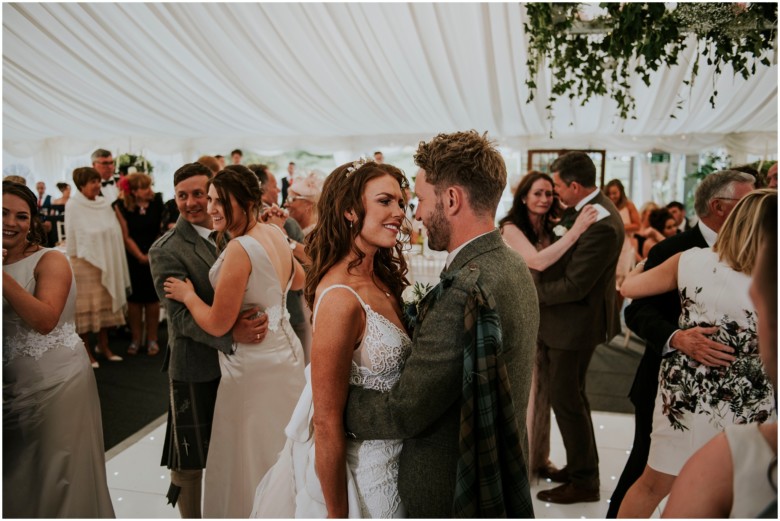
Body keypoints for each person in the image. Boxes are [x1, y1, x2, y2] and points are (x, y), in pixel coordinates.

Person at [343, 131, 539, 517]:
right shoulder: (513, 264)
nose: (413, 214)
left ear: (451, 200)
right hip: (494, 468)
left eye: (419, 199)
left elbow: (405, 411)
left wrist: (332, 402)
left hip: (449, 489)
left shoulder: (467, 286)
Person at [252, 158, 413, 518]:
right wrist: (338, 513)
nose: (399, 212)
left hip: (404, 459)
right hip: (370, 478)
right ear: (349, 212)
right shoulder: (341, 298)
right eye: (385, 201)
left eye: (401, 202)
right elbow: (325, 423)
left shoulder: (383, 279)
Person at [617, 189, 776, 517]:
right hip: (750, 397)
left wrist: (643, 262)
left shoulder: (689, 259)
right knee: (737, 490)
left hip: (686, 391)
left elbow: (628, 289)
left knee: (652, 484)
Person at [163, 169, 306, 518]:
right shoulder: (274, 231)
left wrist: (188, 295)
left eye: (220, 201)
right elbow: (298, 280)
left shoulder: (241, 248)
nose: (212, 208)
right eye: (210, 199)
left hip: (253, 364)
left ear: (247, 203)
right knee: (278, 443)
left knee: (249, 451)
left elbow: (217, 322)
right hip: (285, 355)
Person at [149, 163, 268, 518]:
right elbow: (180, 319)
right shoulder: (166, 249)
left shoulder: (231, 233)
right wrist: (231, 335)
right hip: (195, 366)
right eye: (182, 195)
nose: (191, 203)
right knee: (189, 459)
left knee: (230, 449)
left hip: (240, 364)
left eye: (199, 194)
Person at [2, 181, 115, 517]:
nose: (11, 222)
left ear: (32, 222)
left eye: (21, 216)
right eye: (3, 213)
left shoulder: (50, 260)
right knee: (18, 475)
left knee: (58, 472)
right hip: (11, 384)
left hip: (57, 382)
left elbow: (46, 319)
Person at [534, 151, 625, 505]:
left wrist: (532, 293)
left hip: (576, 325)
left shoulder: (601, 220)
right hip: (571, 323)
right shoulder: (585, 210)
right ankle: (579, 466)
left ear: (573, 185)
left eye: (556, 185)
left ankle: (585, 482)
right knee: (574, 398)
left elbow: (575, 285)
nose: (555, 192)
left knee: (567, 400)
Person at [499, 171, 598, 478]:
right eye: (537, 193)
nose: (544, 199)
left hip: (548, 316)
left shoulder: (552, 227)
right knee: (525, 393)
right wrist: (576, 231)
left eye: (548, 194)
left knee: (542, 393)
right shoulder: (511, 228)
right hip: (519, 315)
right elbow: (538, 262)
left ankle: (537, 459)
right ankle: (517, 468)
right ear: (524, 196)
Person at [65, 166, 130, 367]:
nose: (97, 185)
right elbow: (74, 235)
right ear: (81, 185)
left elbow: (114, 230)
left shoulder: (104, 204)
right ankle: (87, 352)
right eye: (92, 182)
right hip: (83, 263)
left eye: (97, 181)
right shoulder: (73, 205)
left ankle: (104, 346)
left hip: (105, 260)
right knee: (85, 309)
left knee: (105, 307)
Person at [249, 163, 312, 361]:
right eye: (275, 185)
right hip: (290, 314)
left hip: (249, 321)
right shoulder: (286, 222)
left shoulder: (236, 225)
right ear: (261, 189)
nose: (278, 190)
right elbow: (305, 272)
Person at [114, 172, 164, 356]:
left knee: (152, 299)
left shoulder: (158, 202)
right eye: (145, 188)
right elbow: (125, 235)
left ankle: (152, 338)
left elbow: (162, 230)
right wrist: (140, 256)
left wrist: (151, 255)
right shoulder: (121, 206)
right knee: (134, 301)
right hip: (132, 257)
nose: (150, 190)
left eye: (150, 186)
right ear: (133, 191)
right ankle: (136, 338)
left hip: (155, 254)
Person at [604, 179, 640, 295]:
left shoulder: (628, 205)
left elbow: (637, 225)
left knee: (621, 275)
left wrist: (618, 226)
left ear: (621, 192)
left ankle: (618, 309)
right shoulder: (605, 205)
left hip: (624, 244)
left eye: (615, 193)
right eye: (609, 193)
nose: (612, 196)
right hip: (608, 243)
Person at [284, 169, 324, 237]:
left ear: (308, 204)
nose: (285, 204)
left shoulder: (317, 235)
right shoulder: (291, 231)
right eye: (286, 200)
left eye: (291, 199)